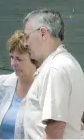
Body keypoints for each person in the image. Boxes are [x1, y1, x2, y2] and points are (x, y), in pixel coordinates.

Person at [23, 9, 84, 139]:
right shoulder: (69, 63)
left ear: (43, 33)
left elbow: (55, 129)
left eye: (27, 36)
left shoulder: (54, 69)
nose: (25, 43)